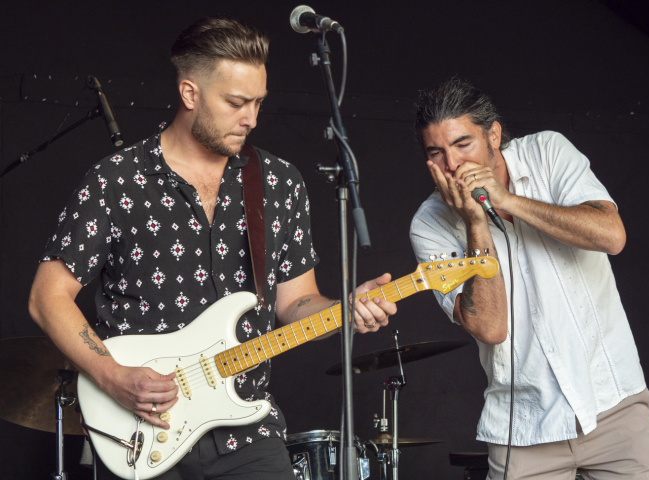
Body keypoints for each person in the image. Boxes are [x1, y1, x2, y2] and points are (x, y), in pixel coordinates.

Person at [28, 16, 396, 480]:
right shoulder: (116, 180)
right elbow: (47, 296)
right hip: (141, 430)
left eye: (259, 102)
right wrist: (112, 377)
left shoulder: (279, 184)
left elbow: (295, 302)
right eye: (236, 103)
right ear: (189, 94)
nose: (252, 118)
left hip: (248, 434)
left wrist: (345, 309)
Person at [409, 78, 649, 480]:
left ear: (493, 134)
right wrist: (476, 222)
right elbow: (491, 329)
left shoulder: (548, 151)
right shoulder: (429, 225)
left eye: (463, 144)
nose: (452, 165)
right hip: (524, 428)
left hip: (613, 403)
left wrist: (506, 199)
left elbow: (612, 236)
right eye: (436, 153)